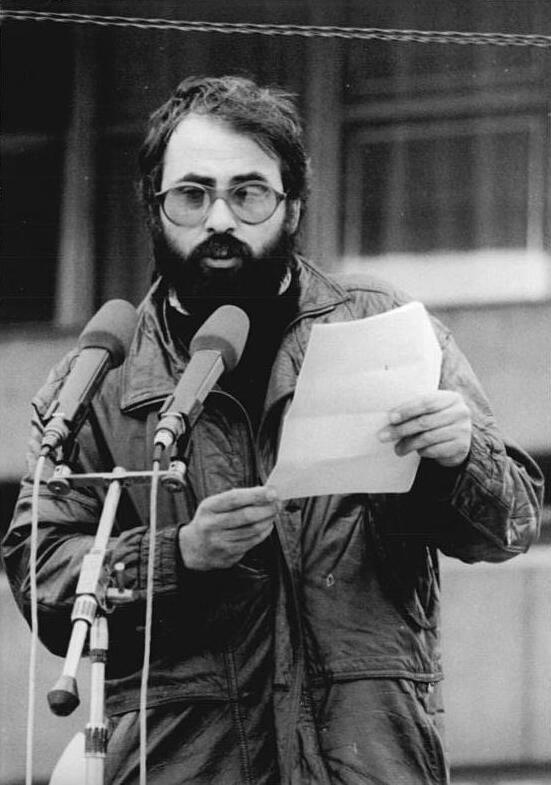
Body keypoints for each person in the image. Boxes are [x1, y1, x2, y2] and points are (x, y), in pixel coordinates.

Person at [3, 75, 543, 785]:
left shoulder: (383, 327)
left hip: (368, 757)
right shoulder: (101, 375)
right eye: (191, 194)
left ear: (291, 203)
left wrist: (458, 455)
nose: (219, 218)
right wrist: (180, 554)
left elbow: (510, 523)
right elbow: (39, 563)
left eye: (248, 192)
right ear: (153, 205)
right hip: (188, 762)